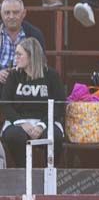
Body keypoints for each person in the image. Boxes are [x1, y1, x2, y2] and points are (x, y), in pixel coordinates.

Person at [1, 38, 64, 168]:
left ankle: (50, 172)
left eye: (19, 54)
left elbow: (59, 105)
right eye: (15, 54)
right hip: (19, 122)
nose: (15, 57)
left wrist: (42, 125)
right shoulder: (13, 76)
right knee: (14, 135)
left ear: (31, 56)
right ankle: (23, 171)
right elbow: (5, 104)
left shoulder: (51, 75)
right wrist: (21, 123)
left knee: (55, 136)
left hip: (46, 121)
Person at [0, 0, 46, 85]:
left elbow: (41, 64)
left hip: (26, 82)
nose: (11, 16)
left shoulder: (35, 34)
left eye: (15, 12)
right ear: (1, 13)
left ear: (24, 13)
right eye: (7, 13)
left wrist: (20, 73)